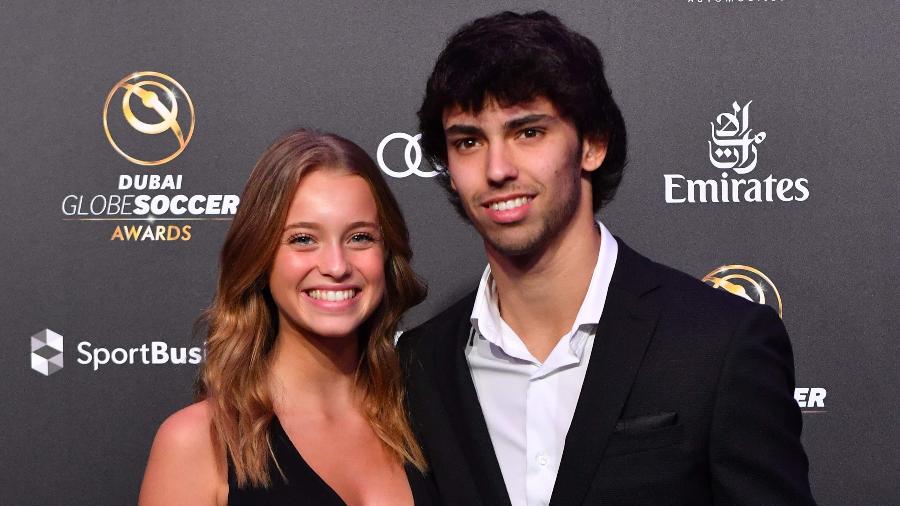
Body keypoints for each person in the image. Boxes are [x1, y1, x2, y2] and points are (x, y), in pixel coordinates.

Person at [398, 11, 815, 506]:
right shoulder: (417, 366)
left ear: (592, 144)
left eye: (528, 132)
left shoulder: (720, 344)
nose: (496, 169)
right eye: (468, 141)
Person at [139, 129, 438, 505]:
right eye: (302, 239)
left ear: (387, 253)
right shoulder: (199, 442)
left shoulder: (427, 421)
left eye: (360, 237)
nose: (336, 266)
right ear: (260, 258)